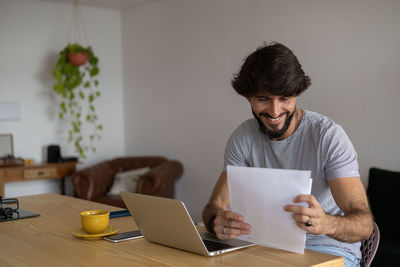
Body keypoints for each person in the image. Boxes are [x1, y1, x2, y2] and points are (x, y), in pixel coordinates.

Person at [202, 42, 373, 266]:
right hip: (262, 248)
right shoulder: (242, 138)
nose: (274, 112)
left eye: (285, 99)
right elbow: (214, 206)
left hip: (327, 250)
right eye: (263, 99)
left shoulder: (328, 136)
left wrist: (326, 224)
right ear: (249, 98)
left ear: (297, 94)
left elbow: (364, 224)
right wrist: (216, 222)